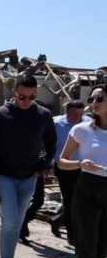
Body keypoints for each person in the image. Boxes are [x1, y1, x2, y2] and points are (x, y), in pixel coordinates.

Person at [0, 74, 56, 258]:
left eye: (32, 97)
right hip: (3, 175)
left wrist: (42, 166)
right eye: (22, 97)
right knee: (11, 222)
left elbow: (52, 145)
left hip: (29, 177)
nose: (27, 101)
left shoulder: (43, 115)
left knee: (17, 222)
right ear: (14, 93)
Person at [58, 85, 107, 258]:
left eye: (100, 98)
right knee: (86, 246)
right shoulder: (82, 130)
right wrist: (80, 164)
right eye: (92, 98)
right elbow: (62, 161)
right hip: (87, 188)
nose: (94, 102)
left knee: (102, 250)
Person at [48, 100, 91, 242]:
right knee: (69, 199)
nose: (77, 117)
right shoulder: (56, 124)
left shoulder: (88, 123)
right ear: (67, 112)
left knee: (81, 200)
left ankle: (57, 220)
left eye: (80, 114)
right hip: (63, 168)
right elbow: (48, 144)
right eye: (73, 114)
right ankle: (72, 234)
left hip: (83, 167)